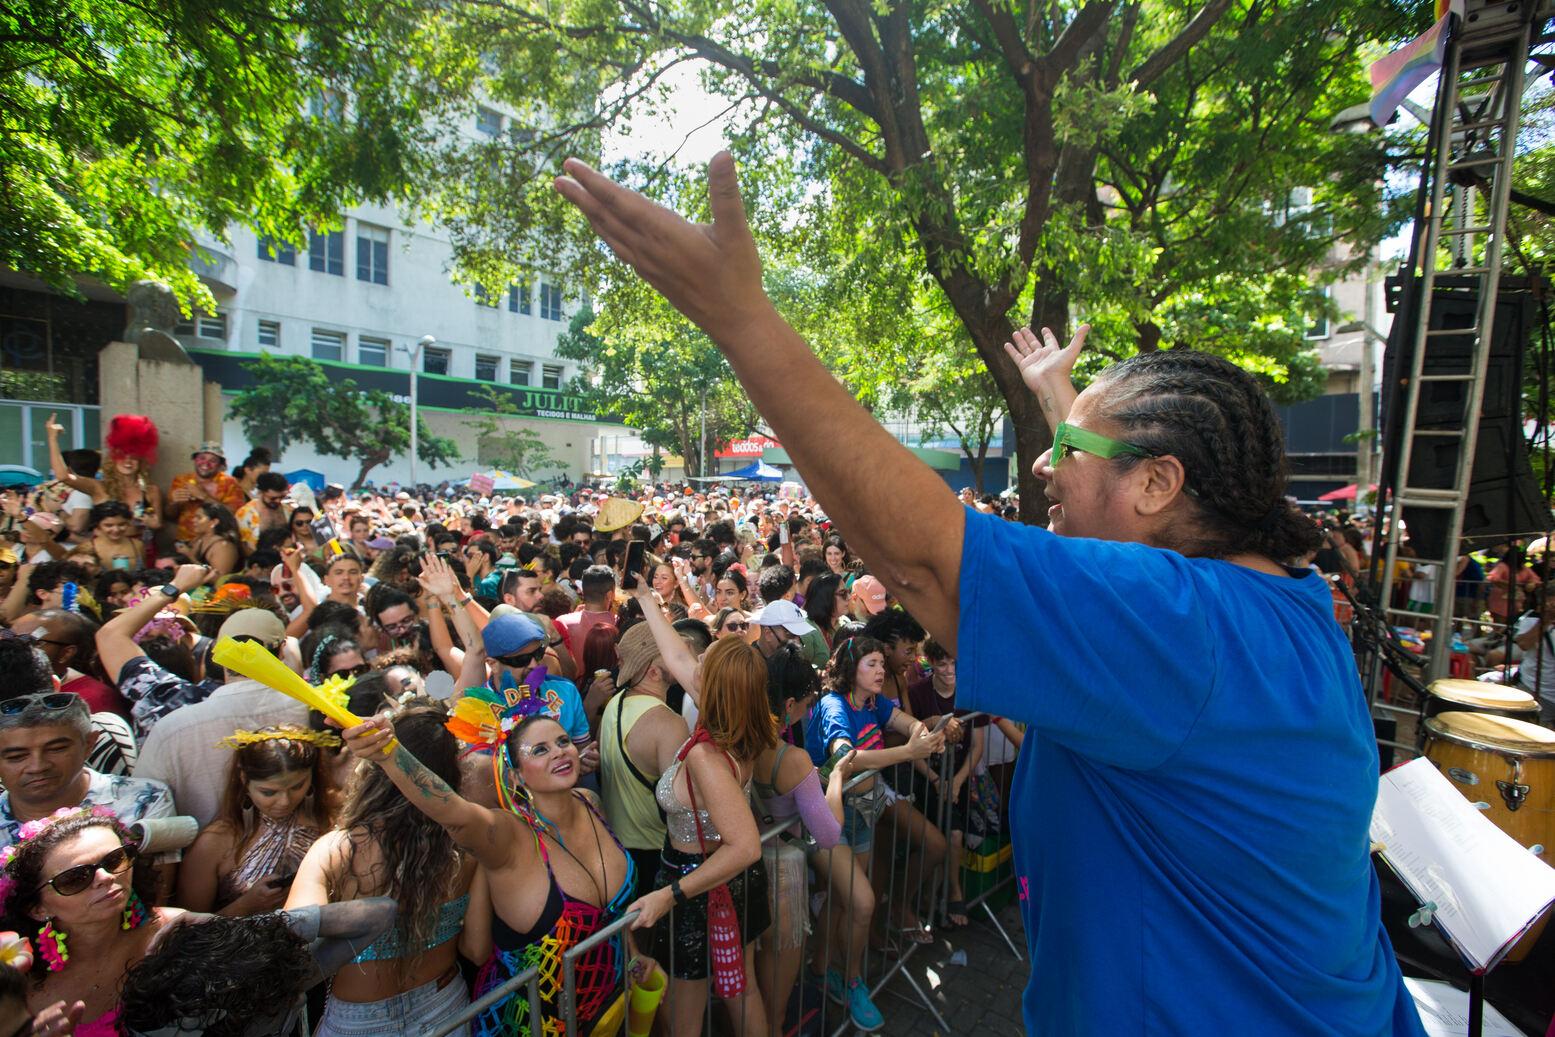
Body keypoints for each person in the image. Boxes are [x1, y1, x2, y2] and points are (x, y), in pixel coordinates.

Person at [553, 157, 1425, 1034]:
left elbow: (925, 561)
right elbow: (1121, 522)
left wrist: (738, 315)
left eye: (1069, 448)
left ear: (1158, 483)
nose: (1044, 465)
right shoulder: (1275, 599)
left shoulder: (1182, 626)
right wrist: (1069, 407)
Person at [337, 702, 633, 1036]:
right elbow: (453, 812)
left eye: (563, 742)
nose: (559, 753)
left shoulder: (590, 803)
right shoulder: (508, 835)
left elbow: (614, 913)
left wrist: (636, 956)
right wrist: (389, 754)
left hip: (607, 1008)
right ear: (516, 774)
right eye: (540, 749)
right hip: (528, 1023)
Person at [288, 704, 478, 1036]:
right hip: (447, 1007)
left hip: (360, 1022)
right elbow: (477, 948)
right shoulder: (468, 848)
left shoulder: (335, 851)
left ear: (373, 770)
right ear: (452, 775)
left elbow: (292, 940)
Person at [0, 807, 188, 1036]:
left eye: (115, 860)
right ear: (38, 909)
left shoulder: (180, 930)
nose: (106, 878)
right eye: (75, 878)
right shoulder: (11, 975)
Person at [118, 898, 397, 1037]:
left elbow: (382, 913)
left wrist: (242, 929)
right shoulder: (161, 1026)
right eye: (286, 999)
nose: (297, 999)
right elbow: (381, 913)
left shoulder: (263, 992)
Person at [136, 607, 309, 827]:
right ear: (282, 650)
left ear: (218, 655)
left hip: (199, 856)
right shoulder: (314, 711)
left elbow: (142, 808)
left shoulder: (174, 728)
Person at [176, 726, 338, 916]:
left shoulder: (330, 820)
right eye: (269, 792)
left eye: (297, 786)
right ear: (244, 780)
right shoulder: (215, 842)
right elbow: (185, 930)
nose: (285, 801)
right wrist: (245, 906)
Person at [0, 693, 175, 858]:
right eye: (17, 757)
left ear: (89, 744)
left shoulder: (145, 801)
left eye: (56, 749)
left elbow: (158, 887)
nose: (37, 766)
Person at [598, 623, 690, 898]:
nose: (679, 657)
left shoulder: (616, 702)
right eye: (671, 653)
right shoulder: (669, 723)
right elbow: (680, 805)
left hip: (621, 849)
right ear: (652, 671)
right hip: (655, 853)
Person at [94, 563, 221, 739]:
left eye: (154, 623)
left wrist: (175, 586)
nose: (143, 630)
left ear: (180, 626)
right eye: (141, 621)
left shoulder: (208, 654)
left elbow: (110, 636)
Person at [44, 413, 163, 537]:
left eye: (133, 457)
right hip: (105, 552)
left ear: (141, 461)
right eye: (121, 455)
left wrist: (154, 524)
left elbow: (158, 524)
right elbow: (64, 477)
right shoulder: (98, 488)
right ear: (113, 459)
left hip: (139, 552)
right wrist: (52, 439)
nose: (127, 461)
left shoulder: (151, 491)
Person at [167, 444, 247, 542]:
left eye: (213, 460)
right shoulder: (181, 480)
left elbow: (235, 515)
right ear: (195, 460)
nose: (206, 463)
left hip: (216, 543)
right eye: (202, 458)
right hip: (184, 542)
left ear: (221, 465)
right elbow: (169, 516)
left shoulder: (230, 483)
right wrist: (174, 504)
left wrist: (203, 495)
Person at [183, 502, 242, 581]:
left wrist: (190, 556)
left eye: (199, 517)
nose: (193, 520)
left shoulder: (223, 547)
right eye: (194, 517)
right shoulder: (199, 538)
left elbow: (219, 579)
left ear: (214, 522)